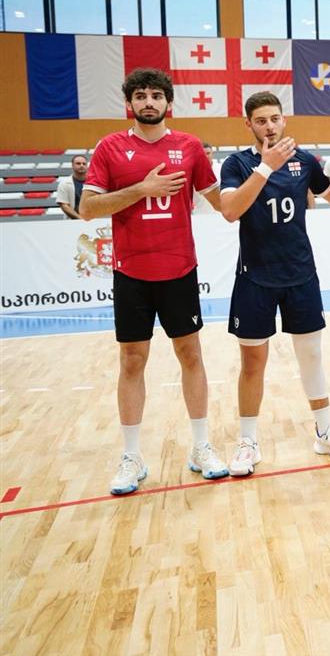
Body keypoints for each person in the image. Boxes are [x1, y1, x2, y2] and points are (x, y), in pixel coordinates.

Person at [79, 68, 227, 495]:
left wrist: (264, 175)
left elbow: (223, 202)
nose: (149, 102)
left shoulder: (190, 146)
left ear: (168, 103)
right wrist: (143, 189)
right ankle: (132, 456)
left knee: (191, 354)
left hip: (179, 269)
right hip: (131, 272)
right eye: (141, 95)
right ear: (129, 103)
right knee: (131, 361)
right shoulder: (110, 147)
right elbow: (88, 209)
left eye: (156, 95)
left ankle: (201, 446)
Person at [218, 91, 330, 475]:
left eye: (274, 119)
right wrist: (265, 168)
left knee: (311, 355)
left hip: (300, 274)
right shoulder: (237, 164)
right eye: (261, 120)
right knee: (253, 362)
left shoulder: (305, 161)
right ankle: (248, 442)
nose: (269, 126)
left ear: (284, 120)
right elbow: (230, 210)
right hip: (255, 277)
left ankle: (325, 431)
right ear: (248, 124)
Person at [55, 154, 89, 219]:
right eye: (78, 163)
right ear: (72, 166)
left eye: (84, 164)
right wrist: (80, 218)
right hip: (72, 221)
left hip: (94, 219)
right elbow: (64, 205)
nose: (81, 165)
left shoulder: (95, 182)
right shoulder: (64, 183)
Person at [192, 143, 222, 214]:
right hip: (200, 213)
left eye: (208, 153)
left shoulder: (222, 169)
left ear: (212, 153)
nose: (206, 156)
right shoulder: (192, 172)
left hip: (220, 214)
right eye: (203, 154)